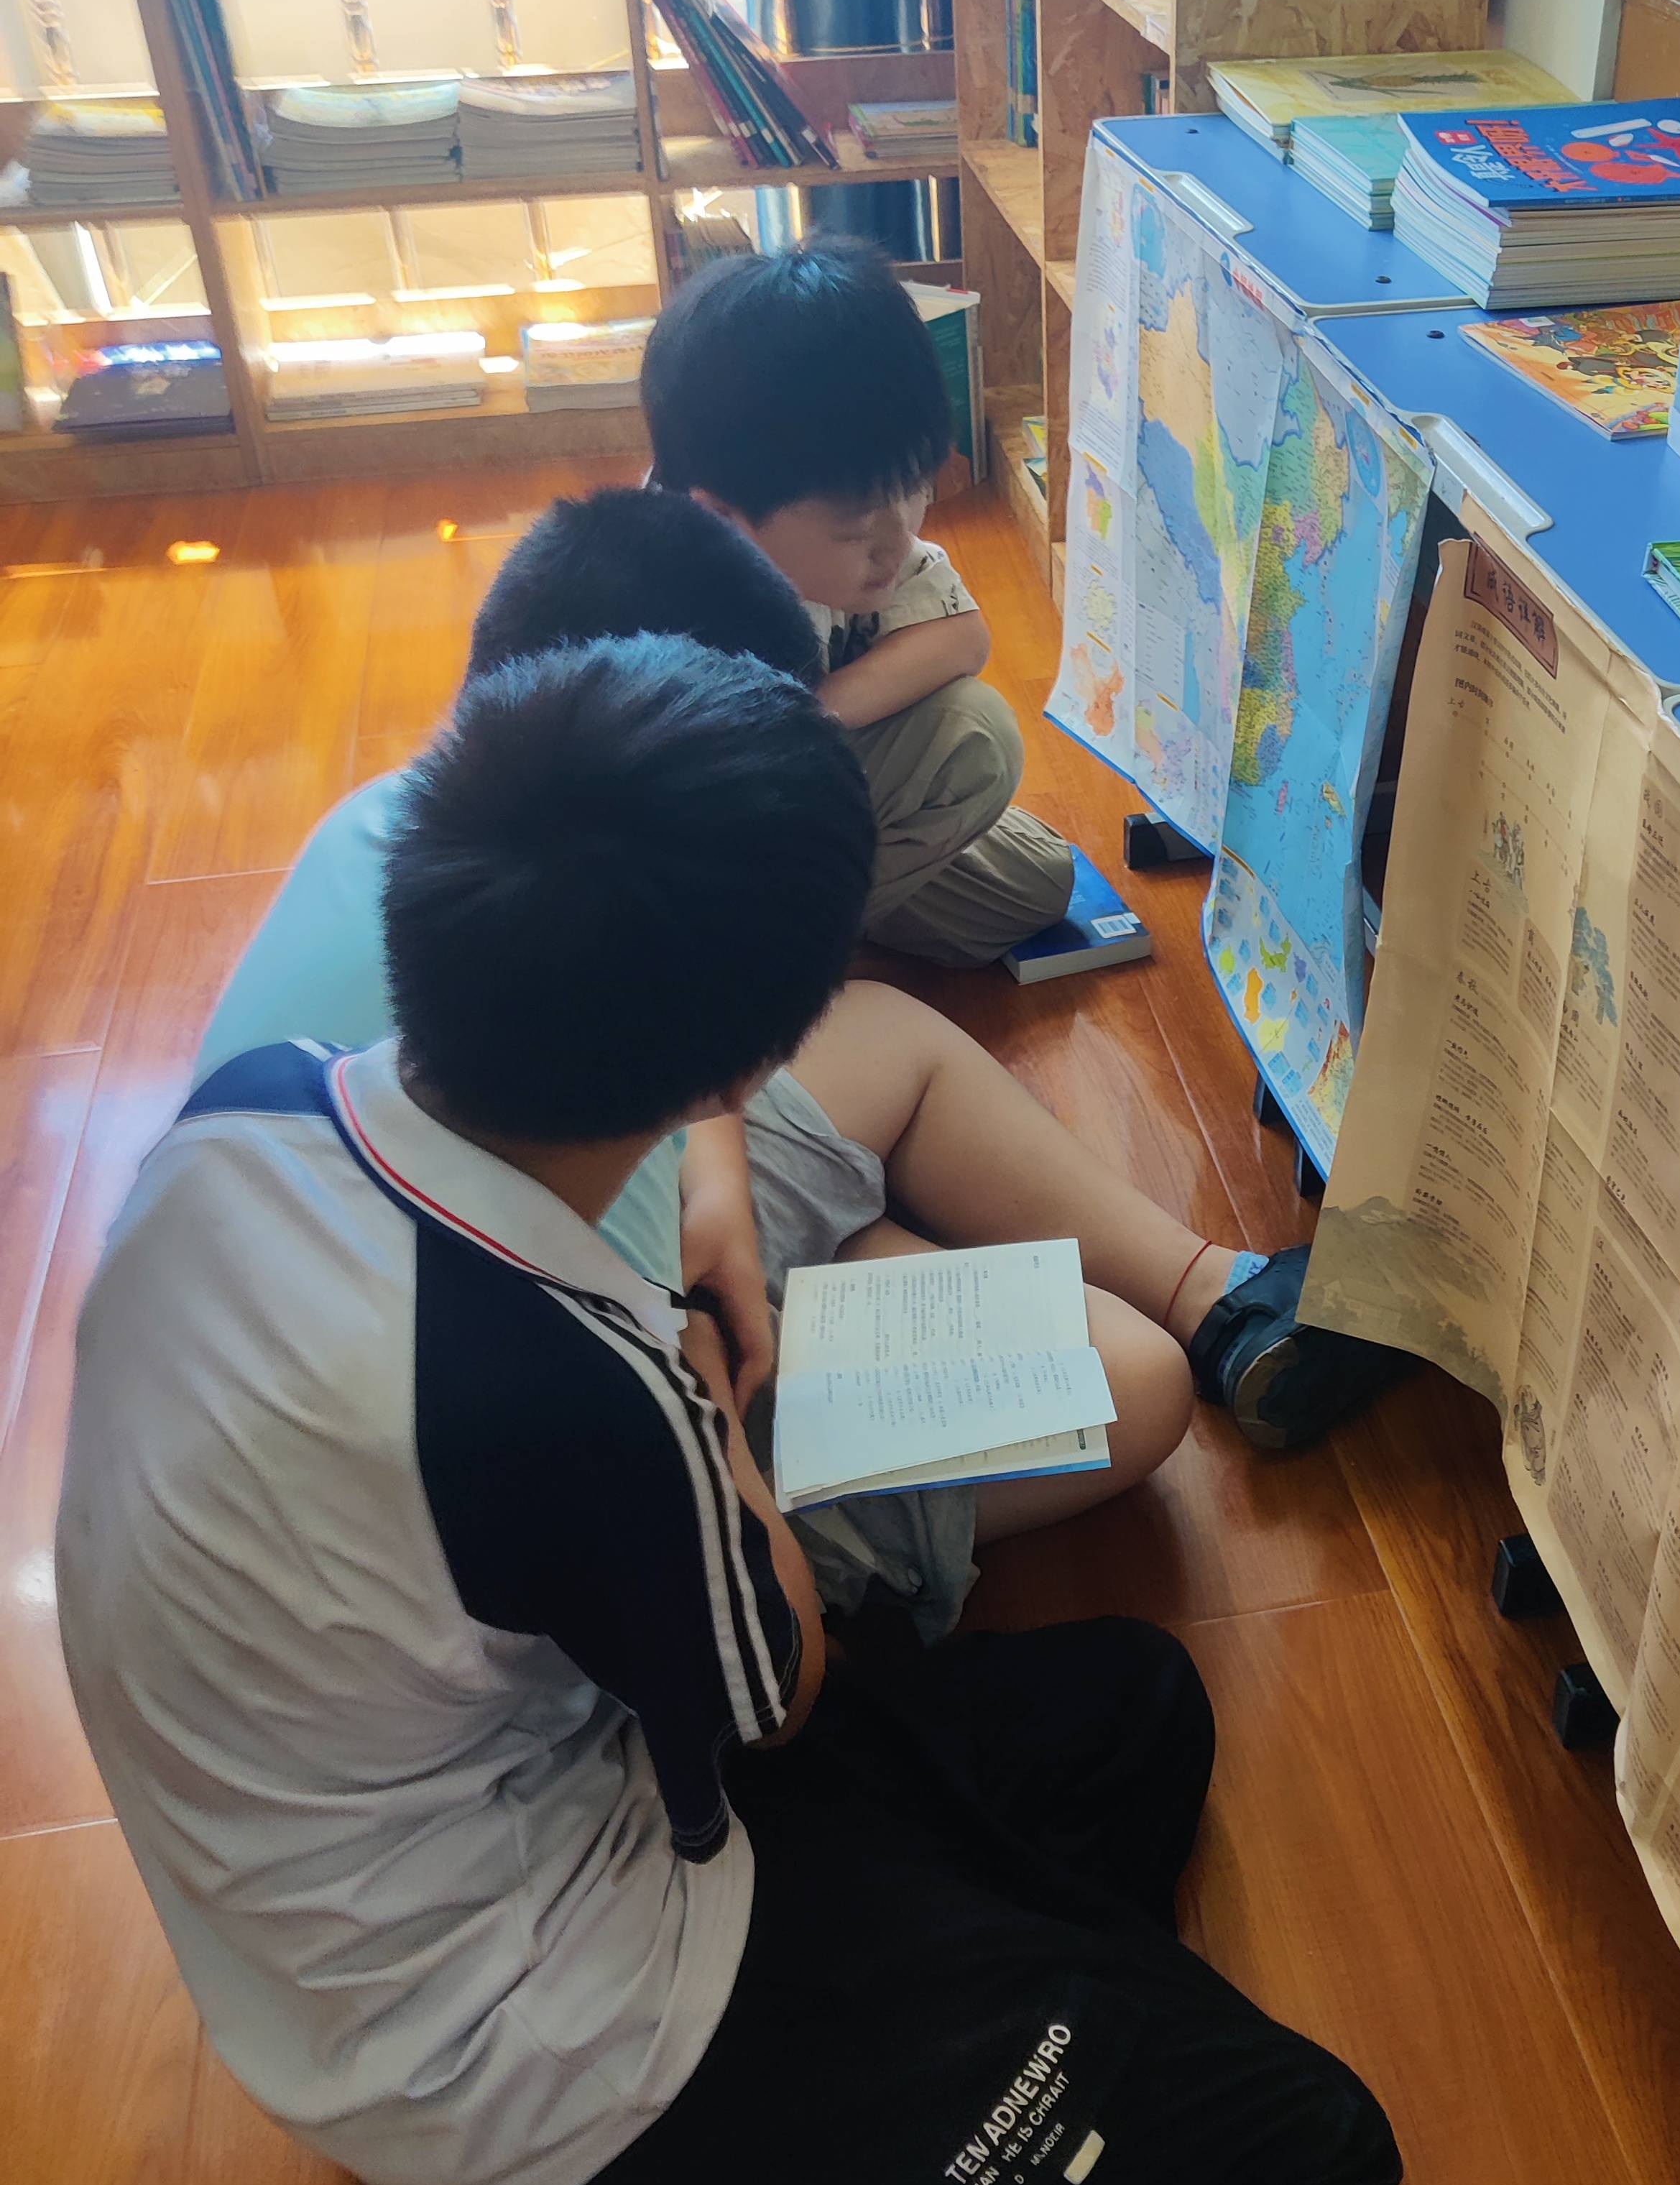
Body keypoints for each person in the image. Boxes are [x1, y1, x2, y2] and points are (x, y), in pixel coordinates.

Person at [57, 634, 1400, 2185]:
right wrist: (712, 1404)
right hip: (537, 2062)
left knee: (1133, 1707)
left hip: (362, 1909)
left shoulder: (260, 1107)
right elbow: (780, 1688)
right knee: (1299, 2147)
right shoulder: (564, 1381)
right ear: (742, 1066)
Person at [198, 488, 1410, 1646]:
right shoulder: (579, 1192)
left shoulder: (417, 835)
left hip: (417, 1295)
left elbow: (668, 1116)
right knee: (1131, 1386)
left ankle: (1211, 1296)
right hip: (545, 1449)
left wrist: (724, 1182)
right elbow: (730, 1605)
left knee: (882, 1040)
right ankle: (1188, 1304)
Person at [641, 232, 1077, 967]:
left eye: (914, 490)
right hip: (678, 839)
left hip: (792, 783)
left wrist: (807, 717)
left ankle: (789, 923)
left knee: (1038, 882)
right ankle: (748, 967)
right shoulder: (651, 590)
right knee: (973, 737)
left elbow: (961, 636)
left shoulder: (830, 500)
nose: (898, 543)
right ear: (721, 516)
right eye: (854, 530)